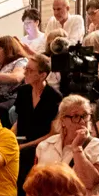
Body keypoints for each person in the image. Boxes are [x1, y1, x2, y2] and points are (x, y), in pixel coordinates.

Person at [33, 95, 99, 195]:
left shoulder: (98, 145)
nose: (82, 121)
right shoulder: (45, 145)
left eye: (85, 116)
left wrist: (77, 148)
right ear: (63, 120)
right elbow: (35, 182)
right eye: (75, 116)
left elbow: (90, 183)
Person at [11, 56, 61, 188]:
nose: (25, 73)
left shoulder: (54, 97)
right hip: (21, 140)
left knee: (24, 155)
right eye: (25, 69)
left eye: (29, 70)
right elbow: (19, 121)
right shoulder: (23, 92)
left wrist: (25, 146)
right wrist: (9, 138)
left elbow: (53, 133)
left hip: (41, 143)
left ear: (42, 75)